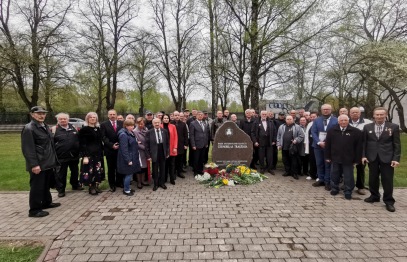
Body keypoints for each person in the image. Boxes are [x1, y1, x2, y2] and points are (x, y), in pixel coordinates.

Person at [22, 106, 60, 218]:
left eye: (43, 113)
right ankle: (34, 210)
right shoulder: (29, 128)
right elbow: (28, 149)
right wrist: (34, 164)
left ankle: (46, 202)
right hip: (39, 163)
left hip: (48, 162)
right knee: (37, 187)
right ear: (32, 114)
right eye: (38, 113)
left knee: (46, 185)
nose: (41, 115)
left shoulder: (44, 126)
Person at [362, 107, 401, 212]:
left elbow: (397, 144)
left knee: (387, 180)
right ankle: (374, 196)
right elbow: (364, 143)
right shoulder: (367, 127)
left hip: (387, 157)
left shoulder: (393, 127)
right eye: (377, 115)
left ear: (385, 115)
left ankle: (389, 201)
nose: (379, 116)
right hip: (372, 157)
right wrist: (363, 156)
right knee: (373, 178)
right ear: (373, 115)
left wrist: (396, 158)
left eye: (381, 114)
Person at [325, 115, 362, 199]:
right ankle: (335, 188)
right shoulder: (332, 131)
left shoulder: (356, 132)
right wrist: (327, 157)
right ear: (338, 121)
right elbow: (328, 145)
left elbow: (358, 147)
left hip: (349, 159)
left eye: (345, 120)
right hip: (335, 157)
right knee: (334, 175)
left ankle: (348, 191)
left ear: (348, 121)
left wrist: (356, 159)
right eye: (341, 120)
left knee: (348, 176)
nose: (343, 122)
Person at [52, 112, 82, 198]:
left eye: (64, 119)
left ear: (68, 120)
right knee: (61, 174)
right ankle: (61, 190)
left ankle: (75, 185)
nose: (63, 120)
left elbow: (78, 140)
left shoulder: (74, 128)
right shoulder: (54, 129)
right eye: (61, 119)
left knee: (75, 171)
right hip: (61, 156)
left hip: (74, 155)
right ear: (58, 120)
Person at [311, 104, 338, 191]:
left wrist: (327, 142)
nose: (325, 111)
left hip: (330, 146)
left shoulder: (336, 120)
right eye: (324, 109)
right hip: (318, 146)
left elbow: (336, 133)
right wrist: (319, 142)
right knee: (319, 163)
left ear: (331, 110)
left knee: (328, 164)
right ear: (321, 110)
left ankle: (327, 181)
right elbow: (313, 132)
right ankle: (321, 179)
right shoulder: (317, 120)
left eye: (327, 109)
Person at [78, 112, 105, 195]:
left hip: (98, 154)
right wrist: (85, 156)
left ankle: (96, 186)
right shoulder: (84, 130)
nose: (93, 118)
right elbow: (82, 144)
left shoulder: (98, 129)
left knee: (97, 171)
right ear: (87, 119)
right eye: (91, 117)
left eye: (94, 117)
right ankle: (91, 187)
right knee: (90, 171)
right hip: (89, 154)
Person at [349, 107, 372, 195]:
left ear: (360, 113)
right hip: (349, 149)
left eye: (356, 112)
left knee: (361, 168)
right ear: (350, 114)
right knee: (348, 168)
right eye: (353, 112)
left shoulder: (367, 122)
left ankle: (360, 186)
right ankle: (349, 184)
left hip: (362, 149)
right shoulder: (346, 122)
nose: (355, 114)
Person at [100, 109, 123, 192]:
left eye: (114, 114)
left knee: (119, 167)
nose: (112, 116)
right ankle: (112, 184)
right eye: (111, 114)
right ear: (108, 115)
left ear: (116, 115)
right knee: (111, 168)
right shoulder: (103, 125)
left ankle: (119, 182)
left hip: (120, 149)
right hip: (110, 150)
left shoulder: (121, 123)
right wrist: (111, 145)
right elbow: (103, 137)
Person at [117, 119, 141, 196]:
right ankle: (126, 190)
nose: (132, 127)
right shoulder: (123, 135)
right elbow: (124, 149)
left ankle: (127, 188)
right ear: (126, 126)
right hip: (128, 158)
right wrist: (128, 160)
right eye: (130, 126)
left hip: (132, 156)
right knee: (128, 174)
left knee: (127, 174)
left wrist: (136, 142)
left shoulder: (129, 132)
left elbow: (131, 142)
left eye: (133, 125)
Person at [146, 118, 170, 191]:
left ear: (160, 123)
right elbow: (147, 145)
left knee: (163, 169)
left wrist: (167, 152)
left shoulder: (164, 131)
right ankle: (156, 184)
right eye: (155, 123)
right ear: (153, 124)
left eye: (158, 122)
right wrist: (148, 155)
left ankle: (162, 183)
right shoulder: (149, 132)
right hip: (154, 152)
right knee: (155, 169)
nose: (157, 124)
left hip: (162, 151)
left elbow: (167, 143)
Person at [251, 110, 277, 174]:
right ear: (260, 115)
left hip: (269, 142)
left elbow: (274, 131)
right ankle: (262, 168)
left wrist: (274, 140)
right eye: (263, 114)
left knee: (269, 156)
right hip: (260, 142)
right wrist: (255, 141)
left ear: (267, 115)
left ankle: (269, 168)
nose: (264, 115)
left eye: (265, 114)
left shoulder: (271, 122)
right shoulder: (256, 122)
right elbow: (253, 133)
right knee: (261, 156)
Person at [189, 111, 210, 176]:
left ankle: (200, 170)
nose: (200, 116)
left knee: (201, 159)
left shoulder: (204, 123)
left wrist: (206, 143)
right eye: (199, 115)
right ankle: (195, 171)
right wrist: (193, 145)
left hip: (203, 144)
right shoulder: (193, 123)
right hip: (196, 144)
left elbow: (206, 134)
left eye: (201, 115)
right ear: (196, 116)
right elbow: (191, 135)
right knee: (196, 159)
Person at [161, 114, 178, 185]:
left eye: (167, 118)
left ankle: (172, 178)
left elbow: (175, 137)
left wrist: (175, 147)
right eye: (164, 118)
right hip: (163, 149)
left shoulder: (173, 126)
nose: (166, 119)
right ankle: (164, 178)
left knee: (172, 164)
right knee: (164, 165)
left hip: (171, 148)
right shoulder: (160, 126)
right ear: (162, 119)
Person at [133, 117, 150, 188]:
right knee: (139, 167)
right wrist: (144, 147)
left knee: (144, 167)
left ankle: (143, 181)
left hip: (146, 152)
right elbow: (136, 143)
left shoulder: (146, 129)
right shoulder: (134, 131)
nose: (141, 125)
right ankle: (139, 182)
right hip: (139, 152)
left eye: (142, 124)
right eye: (139, 124)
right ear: (136, 123)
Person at [172, 111, 188, 179]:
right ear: (173, 116)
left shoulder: (183, 124)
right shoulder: (170, 123)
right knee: (173, 160)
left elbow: (185, 135)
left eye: (178, 115)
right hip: (173, 145)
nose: (177, 116)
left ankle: (179, 172)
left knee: (180, 159)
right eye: (175, 115)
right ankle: (173, 173)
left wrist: (186, 144)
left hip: (181, 144)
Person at [304, 112, 318, 180]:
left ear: (317, 117)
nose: (312, 118)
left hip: (317, 145)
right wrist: (305, 143)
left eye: (314, 117)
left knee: (317, 160)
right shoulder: (309, 124)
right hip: (310, 144)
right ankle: (312, 174)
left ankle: (318, 175)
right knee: (311, 160)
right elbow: (306, 135)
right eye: (311, 117)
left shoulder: (319, 124)